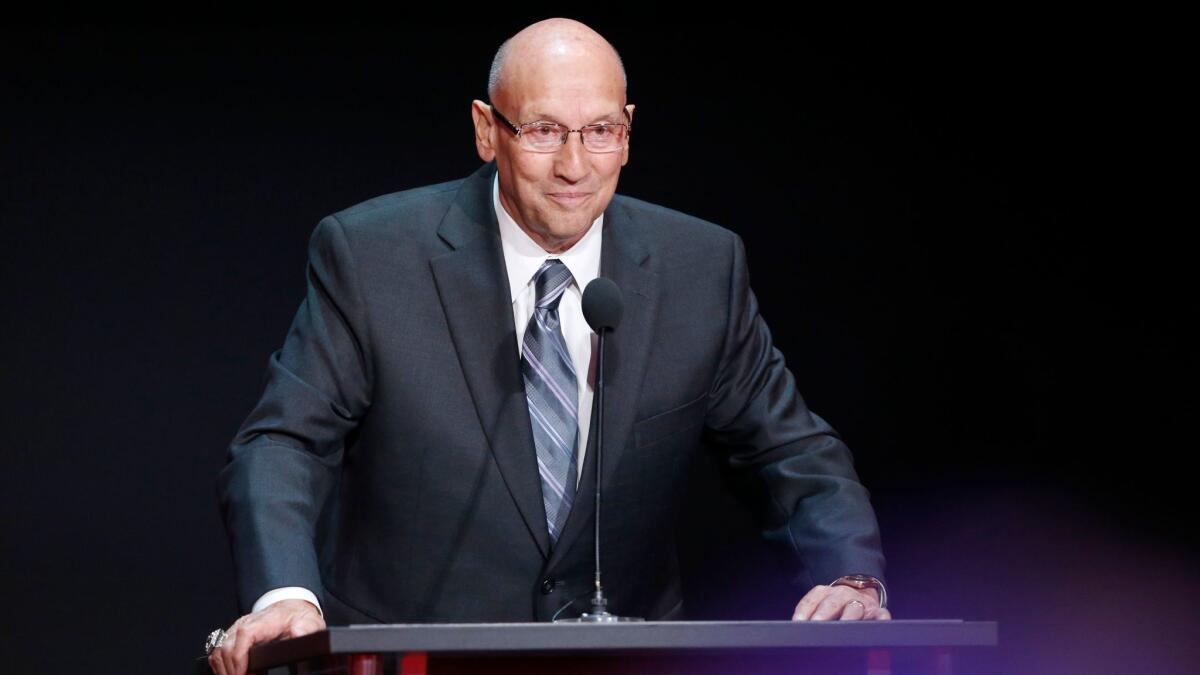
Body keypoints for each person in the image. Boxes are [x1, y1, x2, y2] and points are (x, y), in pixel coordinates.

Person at [207, 18, 890, 675]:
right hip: (411, 660)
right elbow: (283, 442)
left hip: (624, 662)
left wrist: (849, 575)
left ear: (627, 132)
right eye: (543, 131)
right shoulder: (373, 256)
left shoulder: (699, 267)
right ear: (486, 129)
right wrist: (287, 595)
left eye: (600, 131)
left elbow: (789, 450)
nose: (574, 165)